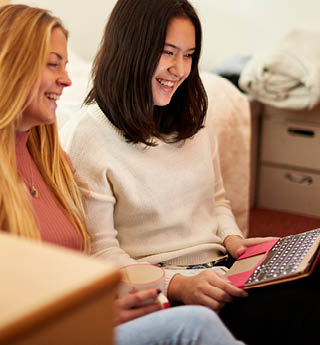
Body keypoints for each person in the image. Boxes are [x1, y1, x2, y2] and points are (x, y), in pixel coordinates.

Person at [0, 4, 244, 345]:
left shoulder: (52, 161)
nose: (67, 80)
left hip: (88, 316)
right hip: (50, 332)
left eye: (65, 65)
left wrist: (103, 303)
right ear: (9, 67)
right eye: (53, 65)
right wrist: (86, 316)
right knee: (195, 324)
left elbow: (80, 263)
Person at [60, 0, 320, 344]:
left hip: (222, 270)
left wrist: (234, 241)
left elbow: (216, 200)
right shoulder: (88, 135)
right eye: (168, 52)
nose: (179, 69)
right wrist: (178, 284)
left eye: (189, 55)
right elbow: (102, 254)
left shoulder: (190, 118)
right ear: (131, 49)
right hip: (168, 292)